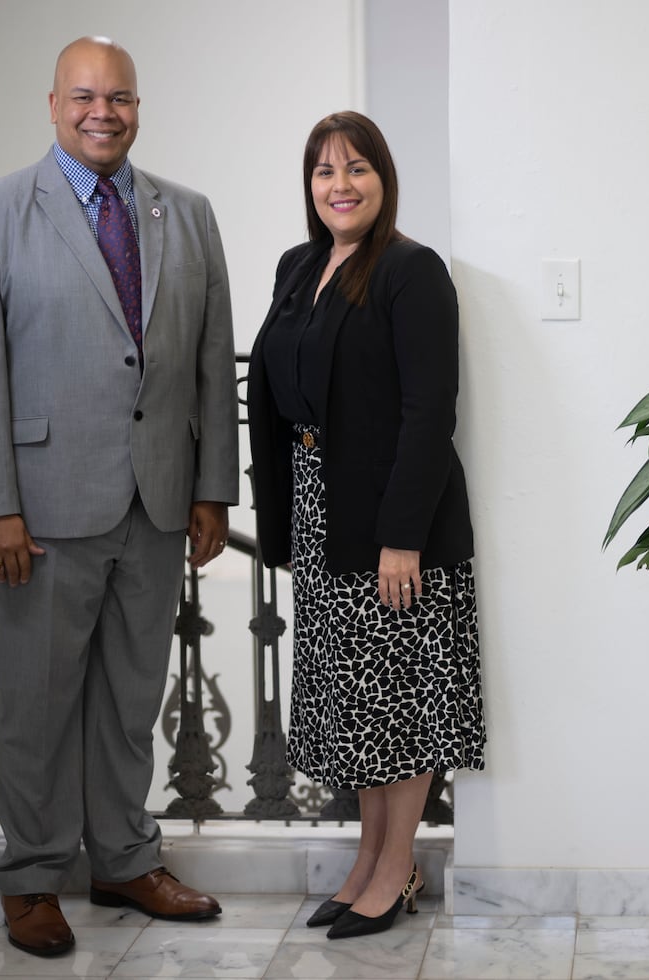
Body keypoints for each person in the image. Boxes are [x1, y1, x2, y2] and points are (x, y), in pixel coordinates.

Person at [0, 36, 238, 957]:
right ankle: (30, 878)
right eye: (85, 96)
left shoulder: (186, 214)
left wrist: (214, 487)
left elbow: (211, 364)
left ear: (139, 107)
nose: (104, 112)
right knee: (33, 702)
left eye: (121, 98)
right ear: (54, 103)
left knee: (129, 701)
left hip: (156, 505)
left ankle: (124, 859)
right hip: (39, 511)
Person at [247, 111, 486, 940]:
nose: (339, 186)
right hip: (319, 509)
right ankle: (369, 858)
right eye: (323, 172)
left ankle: (396, 868)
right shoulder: (299, 265)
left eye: (356, 169)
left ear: (383, 180)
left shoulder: (412, 272)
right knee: (355, 704)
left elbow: (429, 413)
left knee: (399, 701)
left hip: (390, 516)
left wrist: (402, 535)